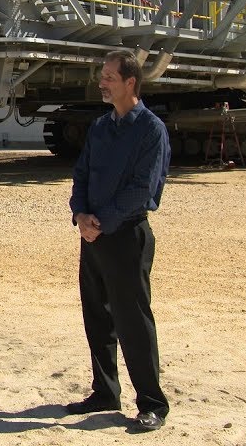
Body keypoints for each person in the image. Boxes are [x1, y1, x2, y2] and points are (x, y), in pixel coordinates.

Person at [67, 50, 171, 431]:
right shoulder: (99, 127)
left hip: (126, 235)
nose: (102, 82)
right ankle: (105, 390)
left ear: (131, 82)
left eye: (110, 76)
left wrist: (101, 222)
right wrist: (80, 216)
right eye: (102, 76)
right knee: (96, 315)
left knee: (132, 320)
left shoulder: (150, 129)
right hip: (92, 235)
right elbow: (81, 175)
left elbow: (142, 188)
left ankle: (152, 403)